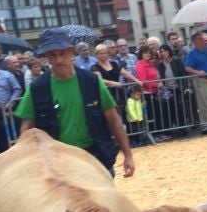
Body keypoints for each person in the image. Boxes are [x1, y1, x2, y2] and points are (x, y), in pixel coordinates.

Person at [14, 28, 135, 178]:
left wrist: (128, 155)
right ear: (45, 57)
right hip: (58, 162)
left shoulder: (92, 81)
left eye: (62, 53)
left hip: (95, 155)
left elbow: (114, 120)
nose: (58, 60)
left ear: (71, 52)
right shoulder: (37, 88)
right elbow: (26, 129)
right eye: (53, 55)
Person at [184, 32, 207, 132]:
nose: (203, 40)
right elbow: (187, 67)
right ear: (195, 41)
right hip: (201, 80)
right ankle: (205, 126)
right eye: (200, 39)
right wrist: (197, 72)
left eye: (202, 38)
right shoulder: (191, 53)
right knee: (203, 103)